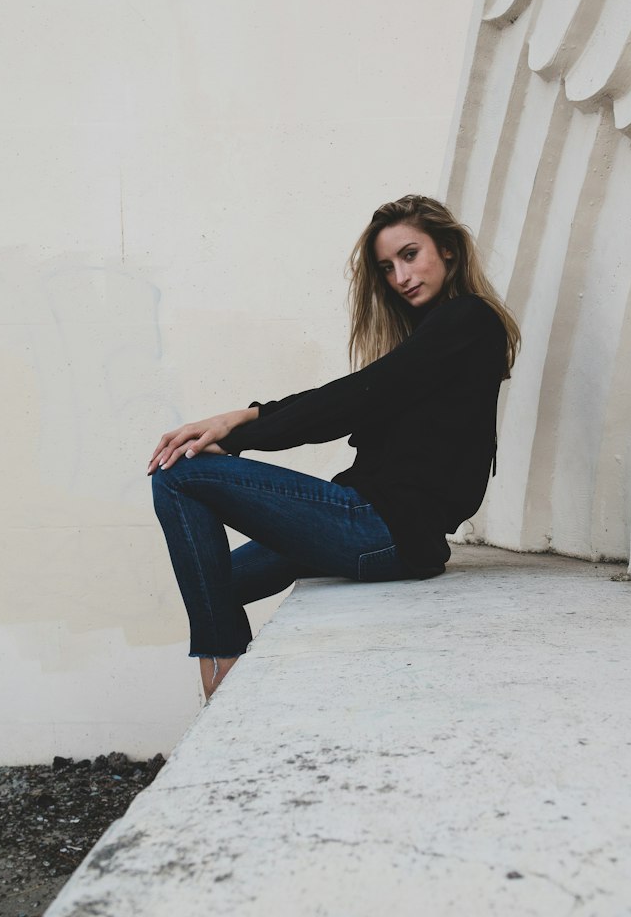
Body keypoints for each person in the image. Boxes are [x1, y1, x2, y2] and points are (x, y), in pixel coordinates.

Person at [147, 194, 520, 701]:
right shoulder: (431, 339)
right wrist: (250, 419)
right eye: (387, 267)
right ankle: (232, 677)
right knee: (215, 583)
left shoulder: (469, 319)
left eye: (410, 255)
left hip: (376, 526)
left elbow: (356, 397)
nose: (400, 276)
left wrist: (242, 423)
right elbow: (367, 393)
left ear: (449, 250)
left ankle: (222, 673)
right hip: (390, 536)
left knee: (178, 473)